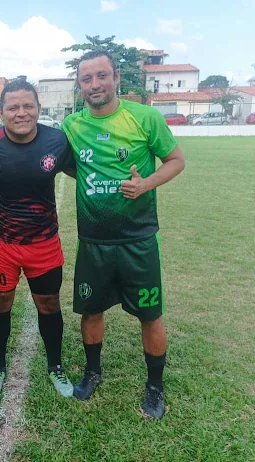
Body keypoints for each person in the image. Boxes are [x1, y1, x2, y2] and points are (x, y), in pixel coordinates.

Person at [61, 50, 185, 419]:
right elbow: (71, 166)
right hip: (94, 241)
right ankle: (92, 372)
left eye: (102, 75)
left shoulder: (145, 117)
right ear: (80, 85)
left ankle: (155, 387)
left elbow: (176, 160)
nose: (95, 84)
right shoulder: (72, 125)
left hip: (138, 240)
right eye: (87, 78)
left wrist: (145, 183)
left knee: (150, 315)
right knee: (91, 310)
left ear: (116, 77)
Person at [0, 80, 76, 398]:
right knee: (0, 303)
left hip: (44, 244)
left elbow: (83, 171)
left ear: (39, 109)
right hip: (1, 244)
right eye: (13, 107)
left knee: (49, 303)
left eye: (28, 106)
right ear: (1, 112)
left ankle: (55, 365)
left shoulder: (57, 141)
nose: (21, 113)